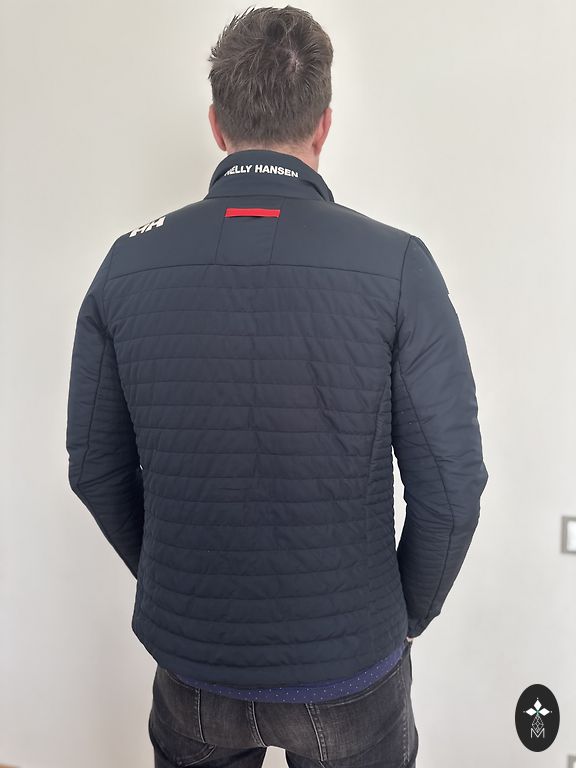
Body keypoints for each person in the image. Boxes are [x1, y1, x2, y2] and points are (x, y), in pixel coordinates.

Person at [65, 5, 488, 767]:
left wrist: (174, 583)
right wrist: (405, 617)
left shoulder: (125, 265)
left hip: (193, 665)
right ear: (323, 124)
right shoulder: (397, 264)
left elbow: (95, 468)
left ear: (216, 124)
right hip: (351, 667)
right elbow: (452, 489)